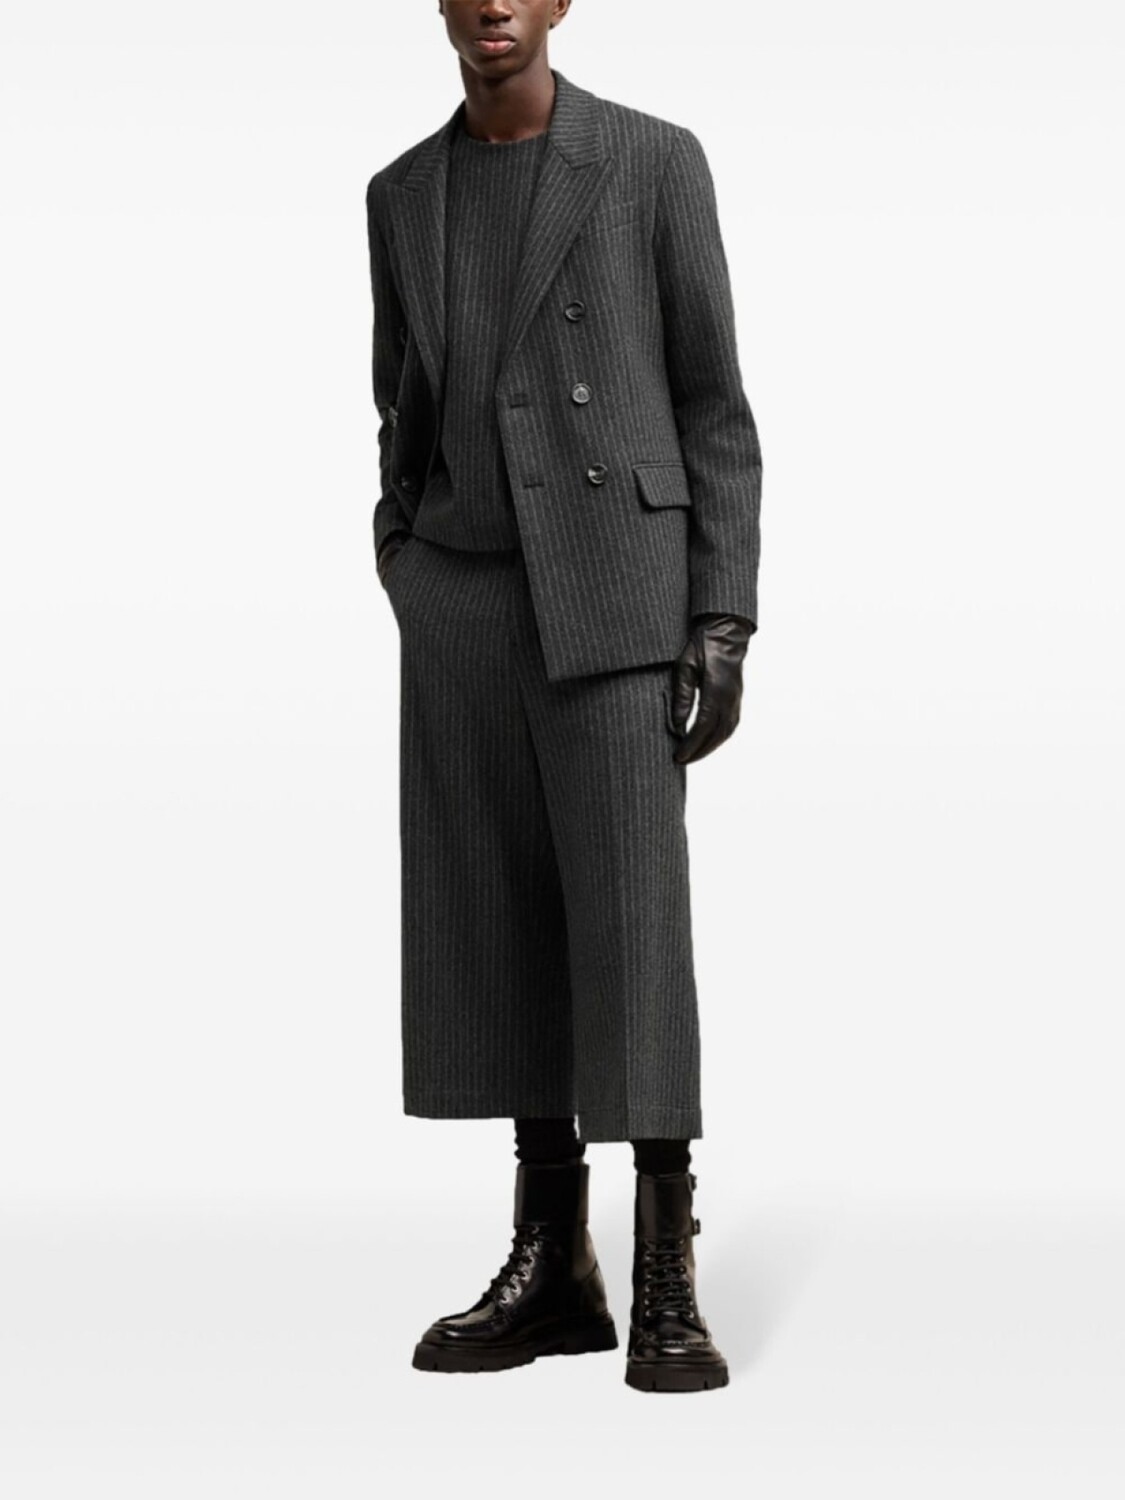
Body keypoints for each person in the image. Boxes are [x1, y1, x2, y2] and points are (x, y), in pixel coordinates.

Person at [364, 0, 761, 1393]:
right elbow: (399, 407)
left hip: (613, 593)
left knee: (631, 925)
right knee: (493, 926)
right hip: (465, 604)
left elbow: (713, 406)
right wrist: (406, 558)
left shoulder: (651, 160)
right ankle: (554, 1264)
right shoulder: (401, 193)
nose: (493, 4)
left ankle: (664, 1264)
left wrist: (720, 617)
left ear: (558, 2)